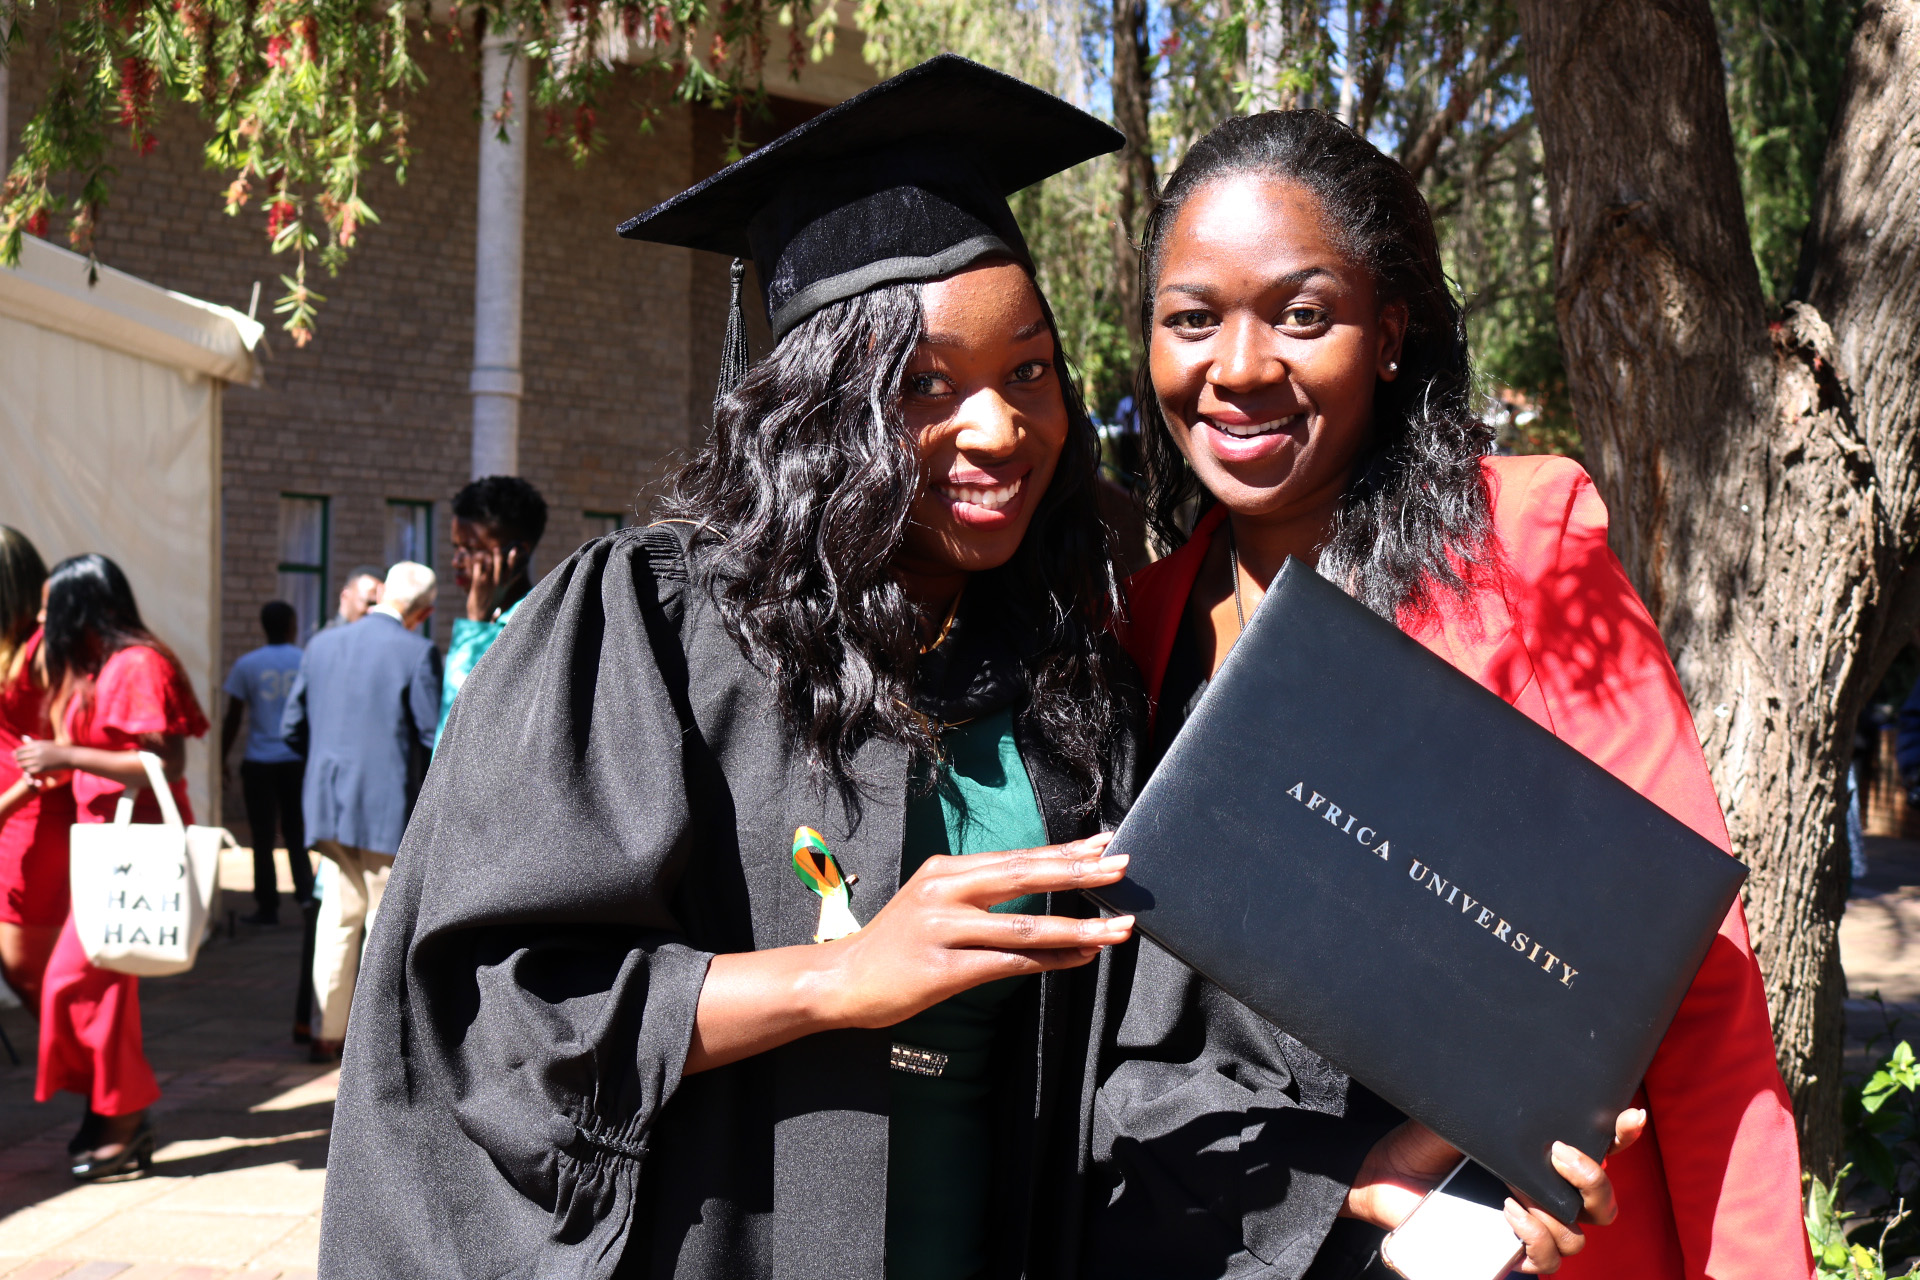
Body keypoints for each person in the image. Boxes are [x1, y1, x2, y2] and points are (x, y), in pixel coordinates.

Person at [315, 59, 1626, 1280]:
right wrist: (835, 980)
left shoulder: (1072, 694)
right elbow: (482, 1017)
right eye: (926, 386)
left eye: (1031, 372)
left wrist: (1349, 1177)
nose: (999, 428)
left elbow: (1144, 1072)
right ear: (819, 405)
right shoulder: (653, 630)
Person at [1105, 110, 1807, 1278]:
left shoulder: (1525, 546)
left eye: (1300, 313)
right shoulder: (1143, 623)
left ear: (1389, 333)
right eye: (1192, 319)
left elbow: (1688, 970)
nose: (1236, 366)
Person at [13, 553, 209, 1182]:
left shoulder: (136, 664)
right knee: (97, 987)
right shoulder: (102, 664)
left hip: (135, 845)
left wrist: (65, 751)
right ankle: (112, 1113)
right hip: (104, 843)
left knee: (76, 982)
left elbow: (165, 763)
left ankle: (123, 1116)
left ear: (82, 606)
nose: (41, 617)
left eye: (50, 606)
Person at [282, 560, 440, 1062]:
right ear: (424, 612)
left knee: (338, 916)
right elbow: (431, 737)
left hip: (326, 803)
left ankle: (327, 1029)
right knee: (380, 922)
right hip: (383, 808)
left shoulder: (322, 644)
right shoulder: (417, 652)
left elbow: (292, 727)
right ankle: (376, 1045)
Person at [0, 527, 72, 1015]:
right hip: (14, 818)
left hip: (29, 823)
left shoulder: (43, 648)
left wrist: (11, 802)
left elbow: (69, 748)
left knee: (31, 979)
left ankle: (104, 1084)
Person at [221, 600, 313, 926]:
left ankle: (268, 906)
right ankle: (305, 896)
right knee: (297, 831)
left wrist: (221, 758)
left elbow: (233, 716)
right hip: (295, 760)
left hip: (259, 760)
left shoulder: (248, 664)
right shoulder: (303, 660)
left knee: (261, 836)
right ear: (292, 625)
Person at [440, 475, 548, 738]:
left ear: (516, 554)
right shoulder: (489, 618)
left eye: (471, 548)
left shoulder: (537, 622)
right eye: (456, 547)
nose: (457, 561)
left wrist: (475, 624)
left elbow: (460, 725)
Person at [327, 565, 386, 630]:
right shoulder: (328, 638)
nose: (374, 610)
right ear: (345, 596)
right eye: (370, 603)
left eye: (380, 606)